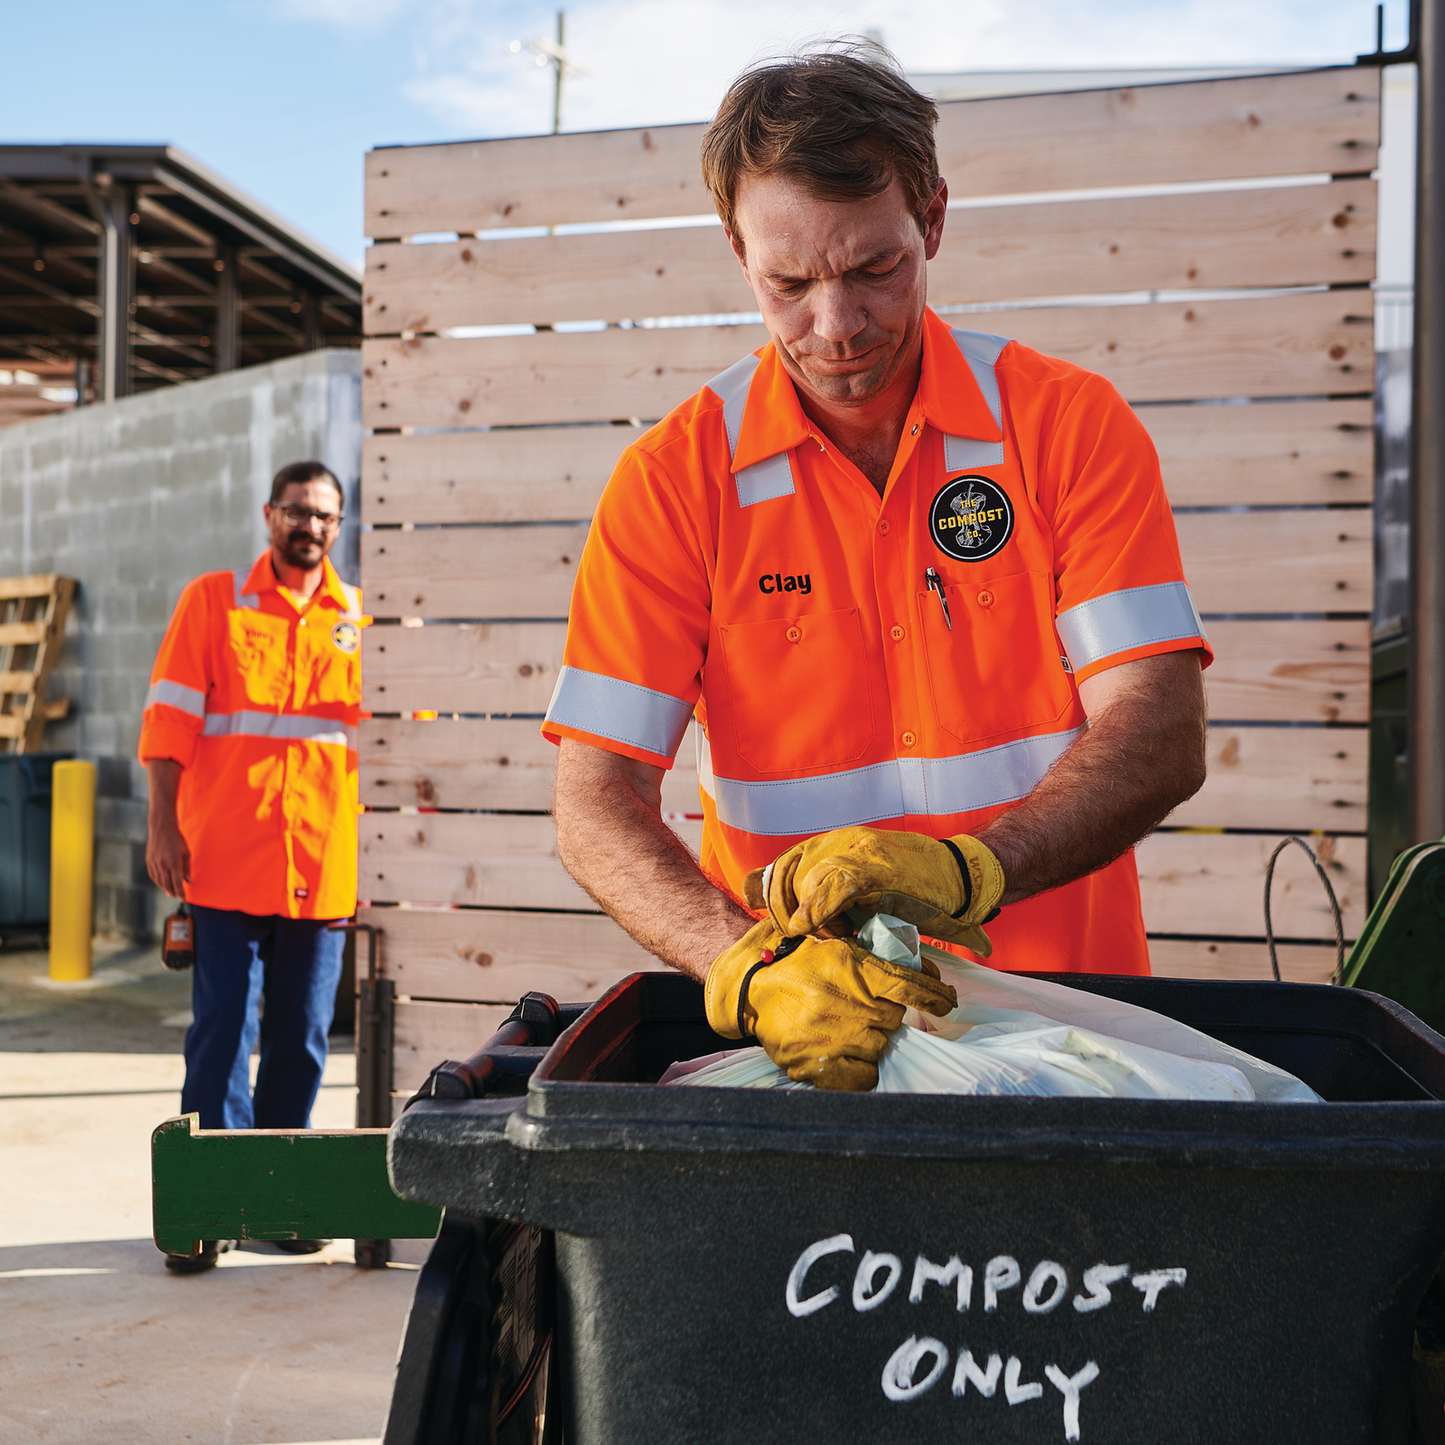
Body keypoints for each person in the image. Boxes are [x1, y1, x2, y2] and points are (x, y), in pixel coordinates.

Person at [543, 45, 1211, 1092]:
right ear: (735, 250)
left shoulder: (1064, 427)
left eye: (873, 269)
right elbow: (593, 796)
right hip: (803, 1048)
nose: (835, 325)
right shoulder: (672, 479)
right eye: (788, 282)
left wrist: (975, 869)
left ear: (932, 220)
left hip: (1075, 1051)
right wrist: (745, 965)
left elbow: (1161, 726)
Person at [141, 460, 364, 1270]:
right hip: (225, 860)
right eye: (298, 511)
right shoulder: (213, 601)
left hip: (321, 867)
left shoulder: (361, 619)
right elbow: (168, 722)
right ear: (269, 514)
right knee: (222, 1032)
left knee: (302, 1037)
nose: (311, 526)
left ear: (338, 527)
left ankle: (275, 1198)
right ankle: (206, 1206)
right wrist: (162, 827)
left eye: (326, 516)